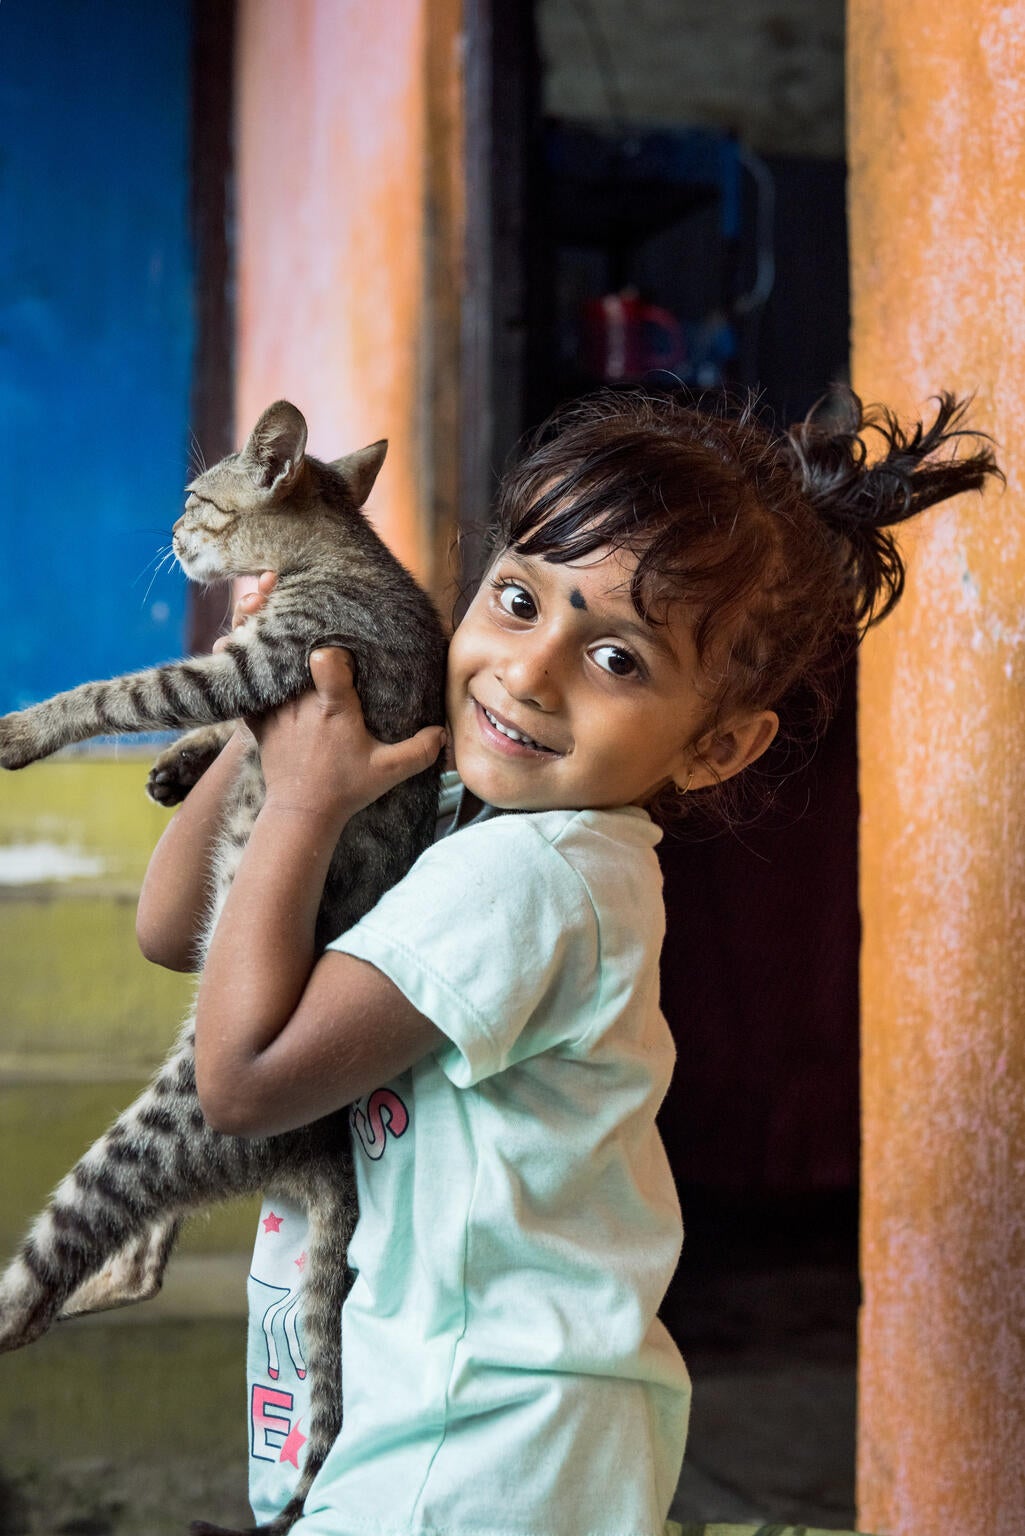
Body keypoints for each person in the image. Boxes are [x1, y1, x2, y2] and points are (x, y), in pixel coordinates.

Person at [136, 387, 999, 1536]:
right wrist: (268, 684)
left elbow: (240, 1082)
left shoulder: (535, 878)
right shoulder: (458, 804)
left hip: (478, 1452)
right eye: (514, 599)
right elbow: (172, 925)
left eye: (613, 657)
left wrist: (296, 803)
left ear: (715, 747)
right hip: (465, 1429)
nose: (528, 673)